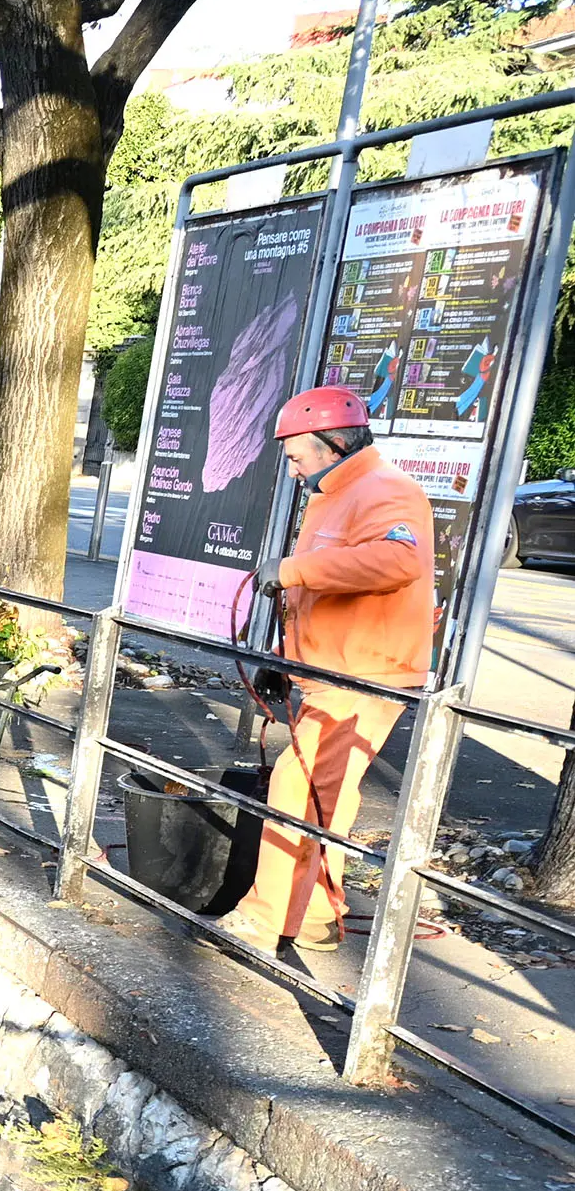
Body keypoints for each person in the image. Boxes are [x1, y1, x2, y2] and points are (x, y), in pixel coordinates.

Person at [220, 385, 437, 957]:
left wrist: (294, 569)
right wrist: (285, 663)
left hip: (368, 675)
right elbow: (328, 588)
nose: (291, 470)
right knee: (320, 794)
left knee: (303, 787)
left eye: (295, 457)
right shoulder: (335, 493)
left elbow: (398, 560)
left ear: (333, 444)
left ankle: (270, 920)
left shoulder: (386, 490)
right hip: (335, 672)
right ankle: (315, 917)